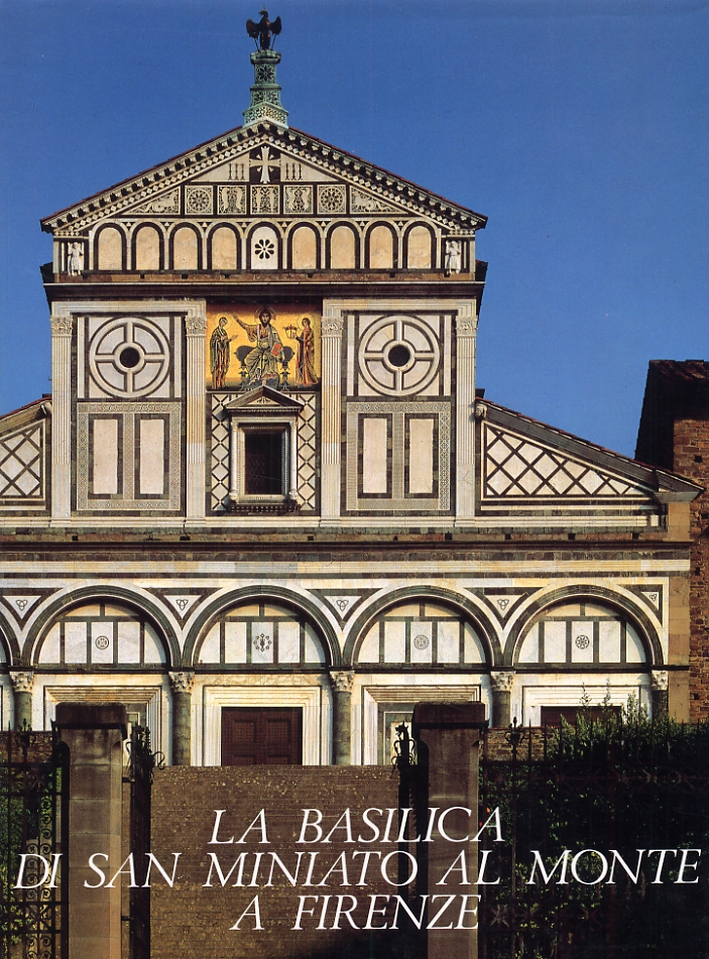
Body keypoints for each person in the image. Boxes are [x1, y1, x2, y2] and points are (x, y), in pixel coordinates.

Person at [237, 308, 283, 385]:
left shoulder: (272, 330)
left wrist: (275, 352)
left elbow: (278, 342)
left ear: (269, 318)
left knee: (264, 358)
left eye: (267, 316)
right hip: (259, 349)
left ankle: (263, 380)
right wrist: (237, 320)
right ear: (260, 318)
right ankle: (253, 376)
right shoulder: (257, 328)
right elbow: (246, 327)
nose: (265, 318)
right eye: (263, 316)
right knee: (248, 360)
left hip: (269, 351)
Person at [210, 316, 237, 389]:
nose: (223, 324)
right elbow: (213, 341)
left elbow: (225, 342)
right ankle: (216, 384)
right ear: (219, 322)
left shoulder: (224, 332)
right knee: (218, 367)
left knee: (224, 367)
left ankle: (222, 383)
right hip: (217, 353)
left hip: (224, 352)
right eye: (222, 322)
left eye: (225, 323)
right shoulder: (216, 331)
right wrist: (219, 339)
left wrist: (230, 339)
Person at [295, 317, 318, 387]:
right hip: (302, 351)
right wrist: (297, 338)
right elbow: (301, 340)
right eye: (303, 323)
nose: (304, 324)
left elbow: (307, 341)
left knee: (308, 365)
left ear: (308, 322)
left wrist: (298, 338)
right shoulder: (303, 331)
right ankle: (303, 380)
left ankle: (311, 379)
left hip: (308, 351)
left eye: (305, 322)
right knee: (301, 364)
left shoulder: (310, 331)